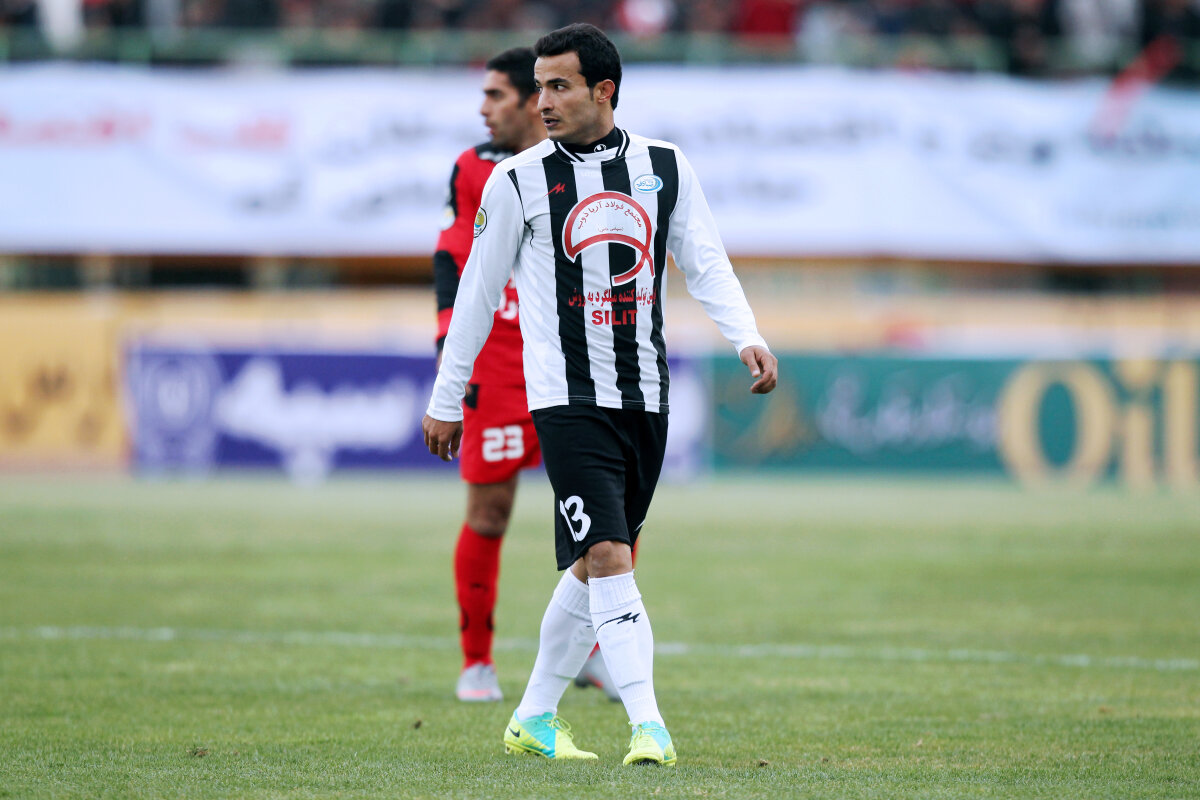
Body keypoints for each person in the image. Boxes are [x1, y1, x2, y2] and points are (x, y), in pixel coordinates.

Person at [423, 22, 777, 765]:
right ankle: (649, 726)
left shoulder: (665, 166)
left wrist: (745, 334)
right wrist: (447, 397)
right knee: (613, 552)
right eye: (539, 87)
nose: (543, 102)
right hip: (565, 398)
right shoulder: (517, 180)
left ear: (603, 91)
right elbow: (478, 294)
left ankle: (533, 716)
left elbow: (704, 261)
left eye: (559, 86)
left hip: (645, 394)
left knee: (589, 565)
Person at [435, 45, 620, 704]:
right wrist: (449, 355)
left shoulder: (586, 164)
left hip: (572, 363)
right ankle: (476, 663)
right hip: (497, 367)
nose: (484, 109)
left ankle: (592, 651)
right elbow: (452, 256)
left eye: (496, 96)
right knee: (489, 513)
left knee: (603, 518)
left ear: (533, 102)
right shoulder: (474, 169)